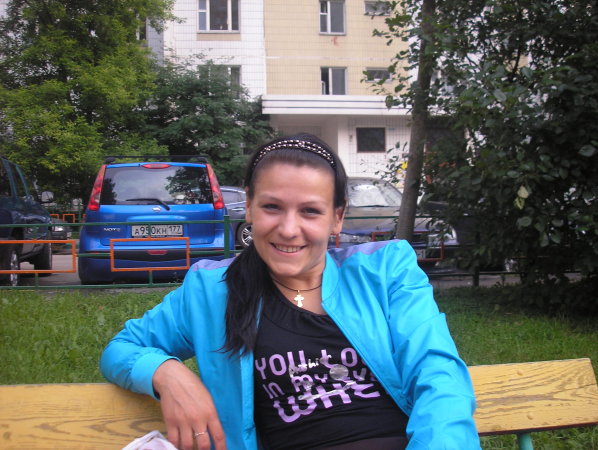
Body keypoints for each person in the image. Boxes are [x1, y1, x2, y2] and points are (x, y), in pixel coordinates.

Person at [101, 133, 480, 450]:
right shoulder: (210, 291)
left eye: (310, 211)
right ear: (249, 207)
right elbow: (123, 348)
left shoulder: (384, 271)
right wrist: (168, 373)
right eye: (272, 207)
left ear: (337, 217)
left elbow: (437, 375)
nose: (288, 229)